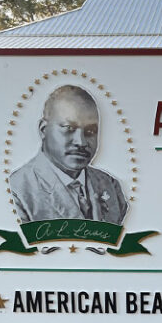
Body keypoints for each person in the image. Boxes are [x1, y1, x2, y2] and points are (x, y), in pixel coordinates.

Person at [10, 85, 128, 224]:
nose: (81, 142)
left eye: (90, 131)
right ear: (43, 130)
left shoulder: (110, 185)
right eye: (69, 128)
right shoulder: (18, 190)